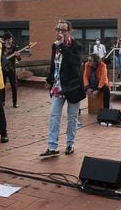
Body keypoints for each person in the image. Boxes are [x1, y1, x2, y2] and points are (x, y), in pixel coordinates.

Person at [41, 20, 86, 157]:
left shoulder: (75, 45)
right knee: (54, 116)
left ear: (69, 32)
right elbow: (53, 64)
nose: (60, 32)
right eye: (58, 29)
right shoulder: (54, 46)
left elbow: (75, 63)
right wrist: (49, 80)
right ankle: (52, 146)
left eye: (63, 30)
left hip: (72, 86)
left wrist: (62, 47)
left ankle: (70, 144)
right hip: (57, 86)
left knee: (72, 117)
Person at [1, 32, 21, 108]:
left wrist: (18, 55)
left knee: (14, 86)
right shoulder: (2, 47)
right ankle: (2, 101)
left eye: (10, 39)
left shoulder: (15, 48)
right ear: (4, 40)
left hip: (11, 70)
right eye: (7, 39)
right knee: (2, 86)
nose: (9, 41)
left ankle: (15, 102)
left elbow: (19, 59)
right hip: (3, 69)